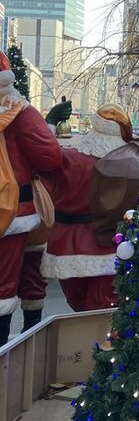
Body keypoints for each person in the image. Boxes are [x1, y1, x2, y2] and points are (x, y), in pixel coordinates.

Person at [40, 103, 139, 312]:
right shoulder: (136, 162)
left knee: (79, 306)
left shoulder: (70, 159)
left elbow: (42, 157)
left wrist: (49, 124)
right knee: (104, 309)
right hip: (116, 245)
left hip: (68, 246)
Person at [0, 52, 66, 347]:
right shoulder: (20, 111)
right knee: (15, 282)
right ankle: (22, 349)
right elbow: (50, 156)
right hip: (16, 212)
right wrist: (49, 123)